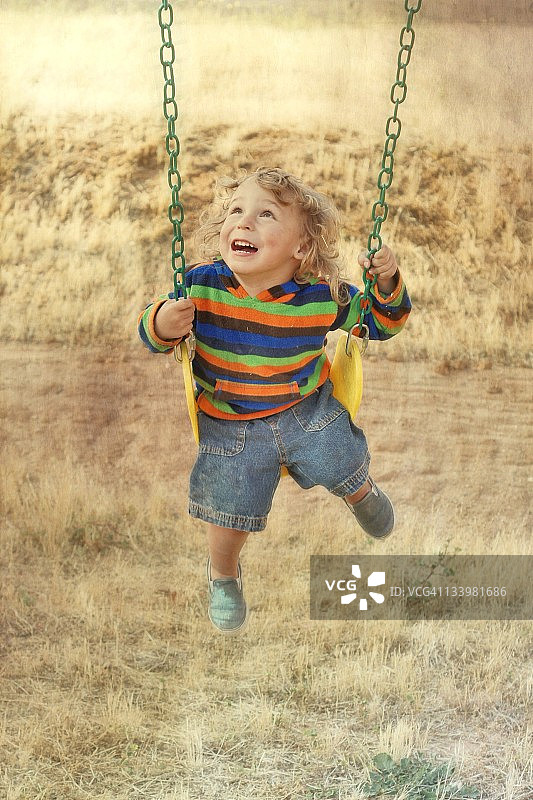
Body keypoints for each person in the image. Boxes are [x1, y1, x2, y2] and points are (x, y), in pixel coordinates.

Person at [138, 167, 411, 634]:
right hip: (229, 419)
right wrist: (164, 322)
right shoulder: (201, 285)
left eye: (266, 215)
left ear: (300, 247)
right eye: (236, 211)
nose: (244, 223)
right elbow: (152, 333)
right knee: (228, 507)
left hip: (304, 408)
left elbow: (381, 324)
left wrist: (386, 283)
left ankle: (361, 492)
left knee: (339, 453)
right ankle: (223, 576)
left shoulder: (322, 296)